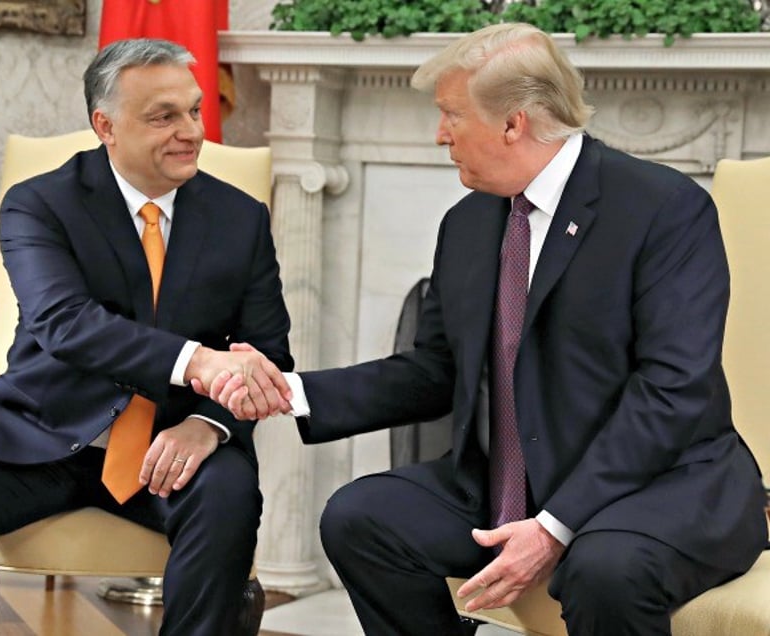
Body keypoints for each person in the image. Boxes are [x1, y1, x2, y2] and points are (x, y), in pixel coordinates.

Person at [210, 22, 767, 636]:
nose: (440, 133)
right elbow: (435, 370)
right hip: (506, 485)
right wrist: (292, 392)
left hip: (661, 486)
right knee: (361, 517)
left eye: (451, 114)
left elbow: (671, 391)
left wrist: (555, 524)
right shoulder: (469, 224)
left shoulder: (665, 208)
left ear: (513, 123)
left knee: (605, 568)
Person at [0, 38, 293, 635]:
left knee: (228, 498)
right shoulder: (39, 203)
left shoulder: (240, 217)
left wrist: (210, 424)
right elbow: (65, 323)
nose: (191, 131)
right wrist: (197, 360)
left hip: (176, 439)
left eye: (194, 110)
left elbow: (267, 351)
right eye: (163, 116)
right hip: (41, 427)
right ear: (106, 125)